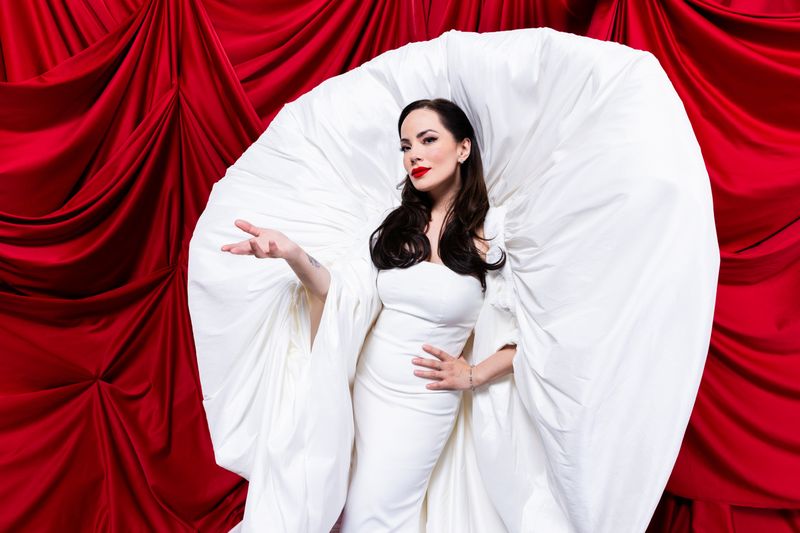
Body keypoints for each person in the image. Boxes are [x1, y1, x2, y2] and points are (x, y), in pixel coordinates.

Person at [221, 98, 518, 530]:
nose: (413, 154)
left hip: (421, 407)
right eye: (404, 146)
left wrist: (473, 374)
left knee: (371, 519)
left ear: (463, 148)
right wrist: (292, 253)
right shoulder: (397, 225)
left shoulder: (493, 235)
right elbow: (341, 294)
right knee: (327, 506)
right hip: (361, 391)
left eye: (427, 139)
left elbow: (529, 335)